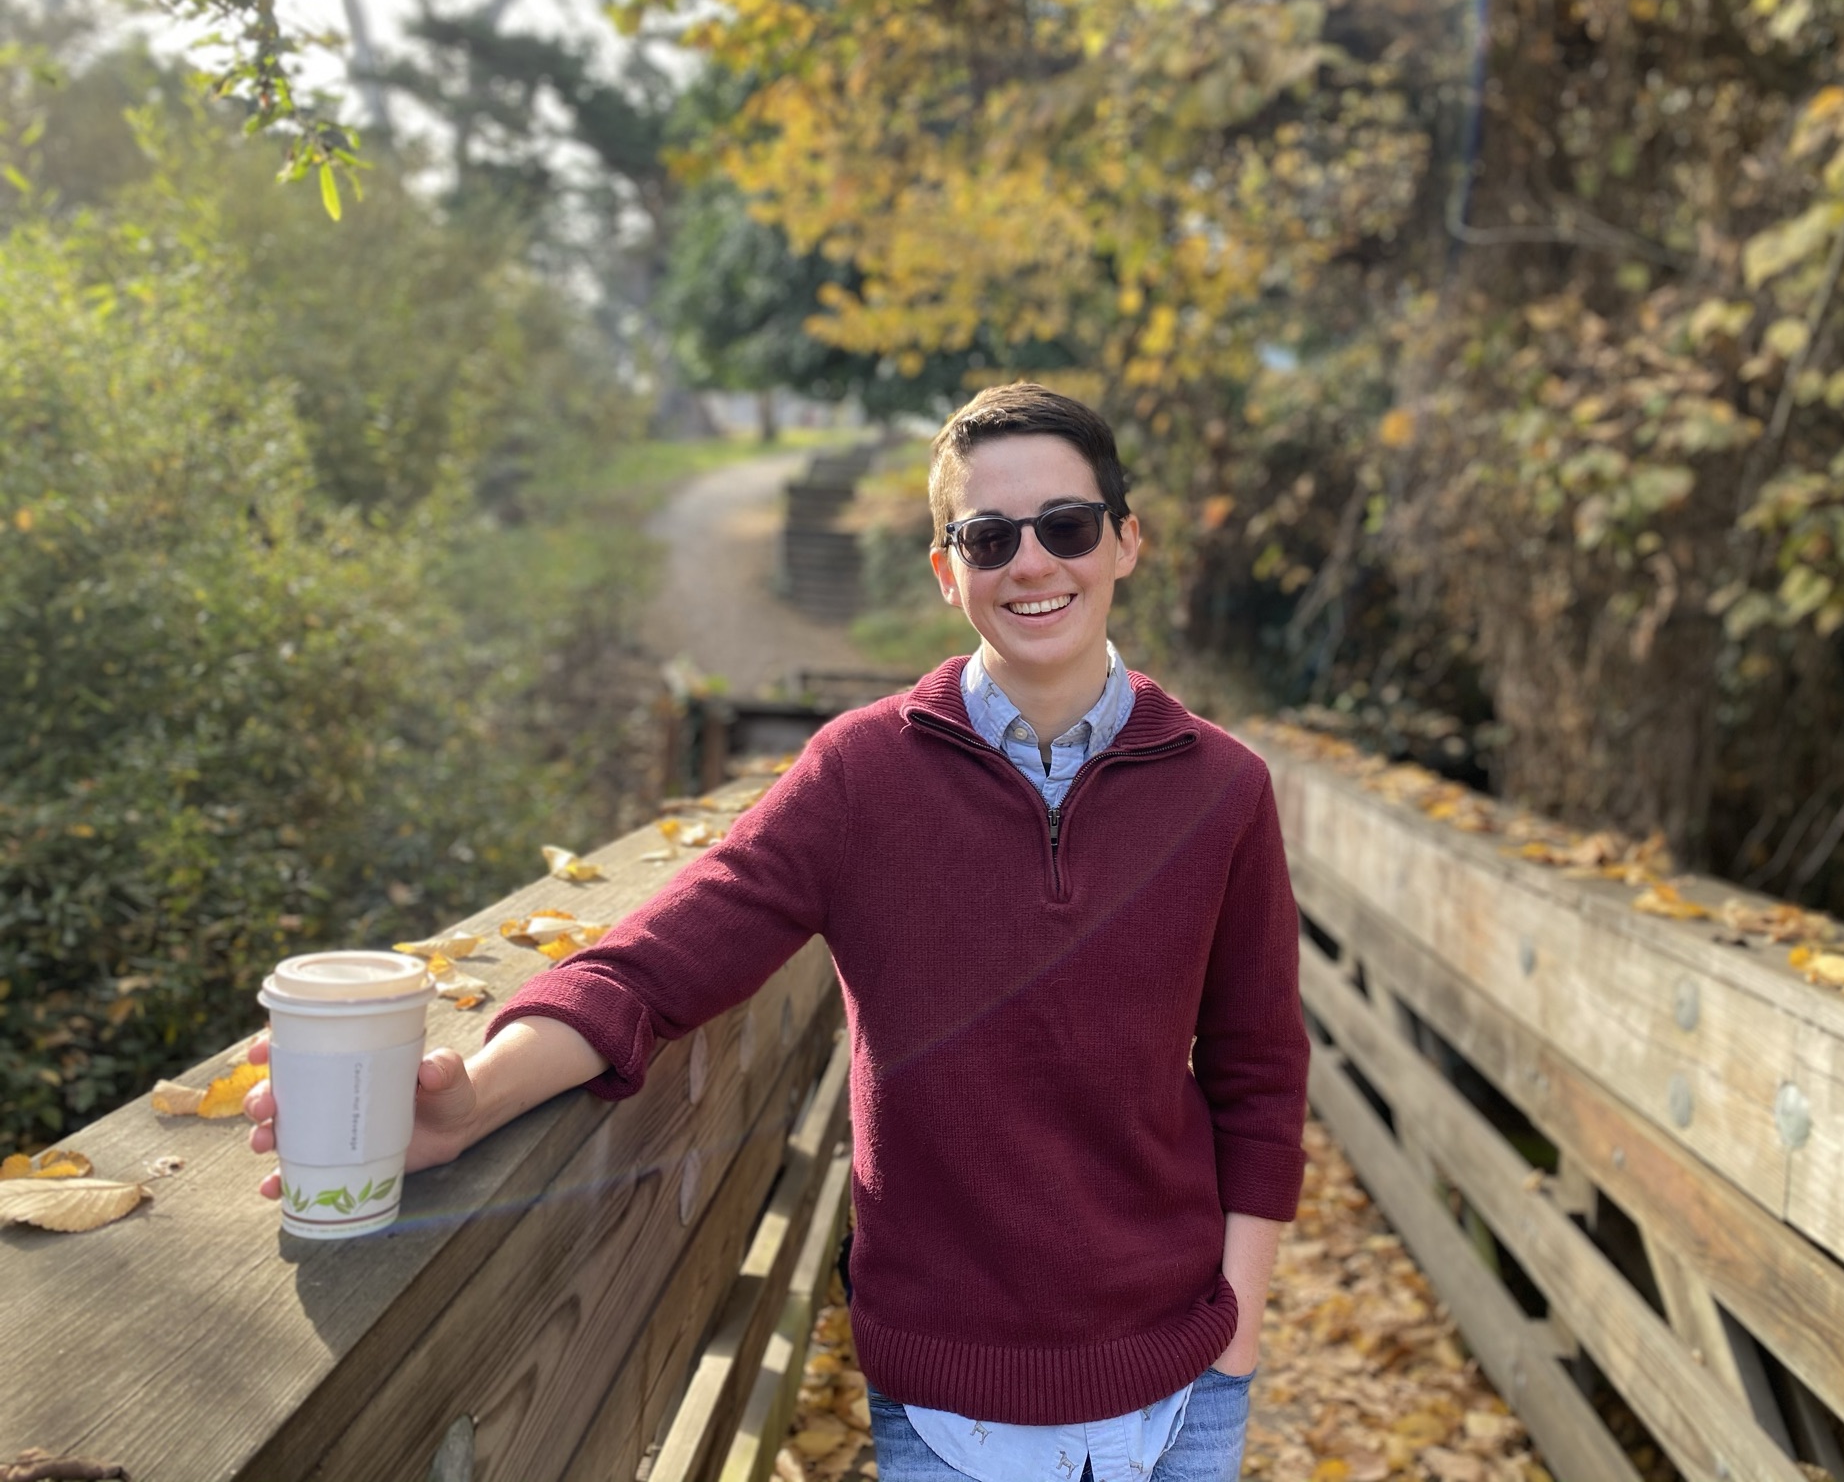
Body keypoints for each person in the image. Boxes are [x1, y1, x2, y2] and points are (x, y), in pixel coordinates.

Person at [246, 382, 1308, 1481]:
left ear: (1124, 542)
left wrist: (1236, 1329)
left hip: (1182, 1387)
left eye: (1067, 526)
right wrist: (469, 1102)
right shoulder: (861, 776)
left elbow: (1259, 1070)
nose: (1031, 563)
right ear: (947, 573)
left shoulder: (1221, 790)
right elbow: (651, 966)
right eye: (987, 537)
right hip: (945, 1403)